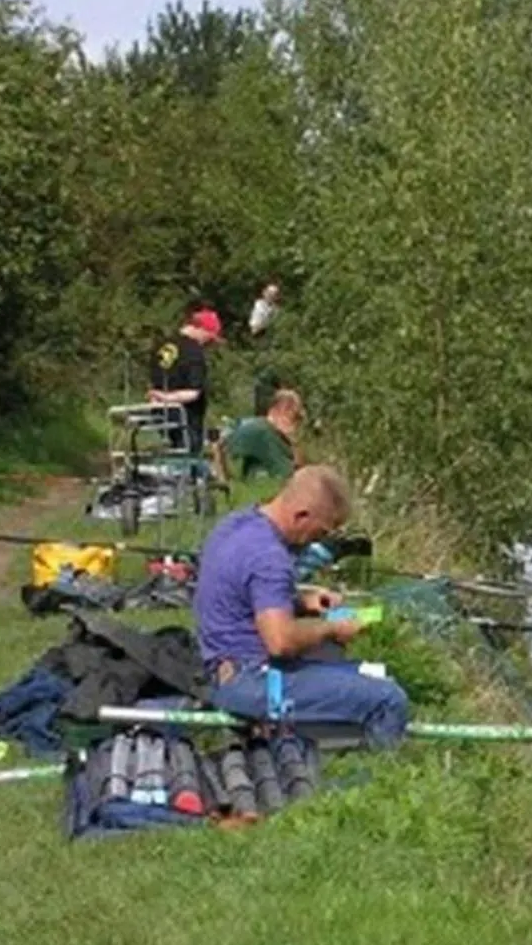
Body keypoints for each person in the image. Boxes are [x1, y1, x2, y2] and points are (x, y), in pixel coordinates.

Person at [192, 465, 409, 746]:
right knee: (389, 699)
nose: (317, 542)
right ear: (301, 515)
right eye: (320, 532)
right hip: (250, 683)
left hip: (218, 663)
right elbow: (280, 642)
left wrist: (301, 601)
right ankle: (372, 782)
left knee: (356, 667)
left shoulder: (236, 524)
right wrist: (331, 627)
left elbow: (245, 590)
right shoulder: (270, 557)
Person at [148, 303, 223, 450]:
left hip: (159, 414)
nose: (210, 344)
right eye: (210, 338)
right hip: (185, 418)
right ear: (201, 329)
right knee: (187, 459)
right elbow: (193, 392)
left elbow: (154, 380)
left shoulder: (161, 346)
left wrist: (158, 398)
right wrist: (167, 398)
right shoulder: (194, 352)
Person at [222, 389, 304, 481]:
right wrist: (294, 442)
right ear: (282, 410)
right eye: (295, 417)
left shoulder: (257, 425)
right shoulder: (266, 434)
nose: (296, 424)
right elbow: (293, 475)